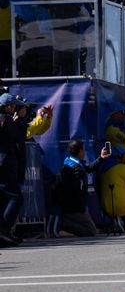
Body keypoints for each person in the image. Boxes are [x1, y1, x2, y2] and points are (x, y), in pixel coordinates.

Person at [0, 94, 52, 245]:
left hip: (5, 165)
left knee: (4, 199)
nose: (19, 109)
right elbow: (21, 135)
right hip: (4, 165)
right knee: (15, 197)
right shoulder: (5, 119)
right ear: (9, 107)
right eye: (16, 106)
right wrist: (20, 121)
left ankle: (4, 235)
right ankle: (3, 229)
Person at [55, 140, 106, 237]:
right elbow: (75, 191)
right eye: (84, 149)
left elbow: (89, 168)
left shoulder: (71, 161)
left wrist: (101, 158)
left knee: (91, 229)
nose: (85, 152)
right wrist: (81, 208)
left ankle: (66, 224)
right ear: (80, 152)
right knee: (91, 231)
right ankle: (64, 226)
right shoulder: (76, 169)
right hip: (74, 208)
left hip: (74, 206)